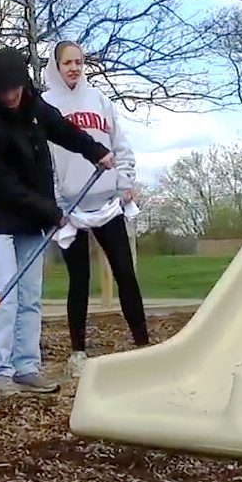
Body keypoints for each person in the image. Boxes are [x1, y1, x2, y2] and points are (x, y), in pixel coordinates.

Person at [0, 47, 113, 398]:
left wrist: (96, 151)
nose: (11, 95)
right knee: (6, 291)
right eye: (4, 90)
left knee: (30, 295)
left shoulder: (34, 107)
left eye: (16, 87)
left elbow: (66, 131)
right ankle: (1, 371)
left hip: (32, 217)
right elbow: (3, 186)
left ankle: (26, 367)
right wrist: (51, 212)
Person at [40, 40, 148, 378]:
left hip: (107, 203)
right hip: (70, 208)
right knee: (79, 280)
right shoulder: (45, 105)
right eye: (67, 62)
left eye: (78, 61)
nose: (74, 67)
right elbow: (44, 159)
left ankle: (143, 345)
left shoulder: (101, 101)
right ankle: (78, 352)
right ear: (55, 66)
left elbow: (120, 145)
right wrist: (55, 202)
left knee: (125, 273)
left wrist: (125, 180)